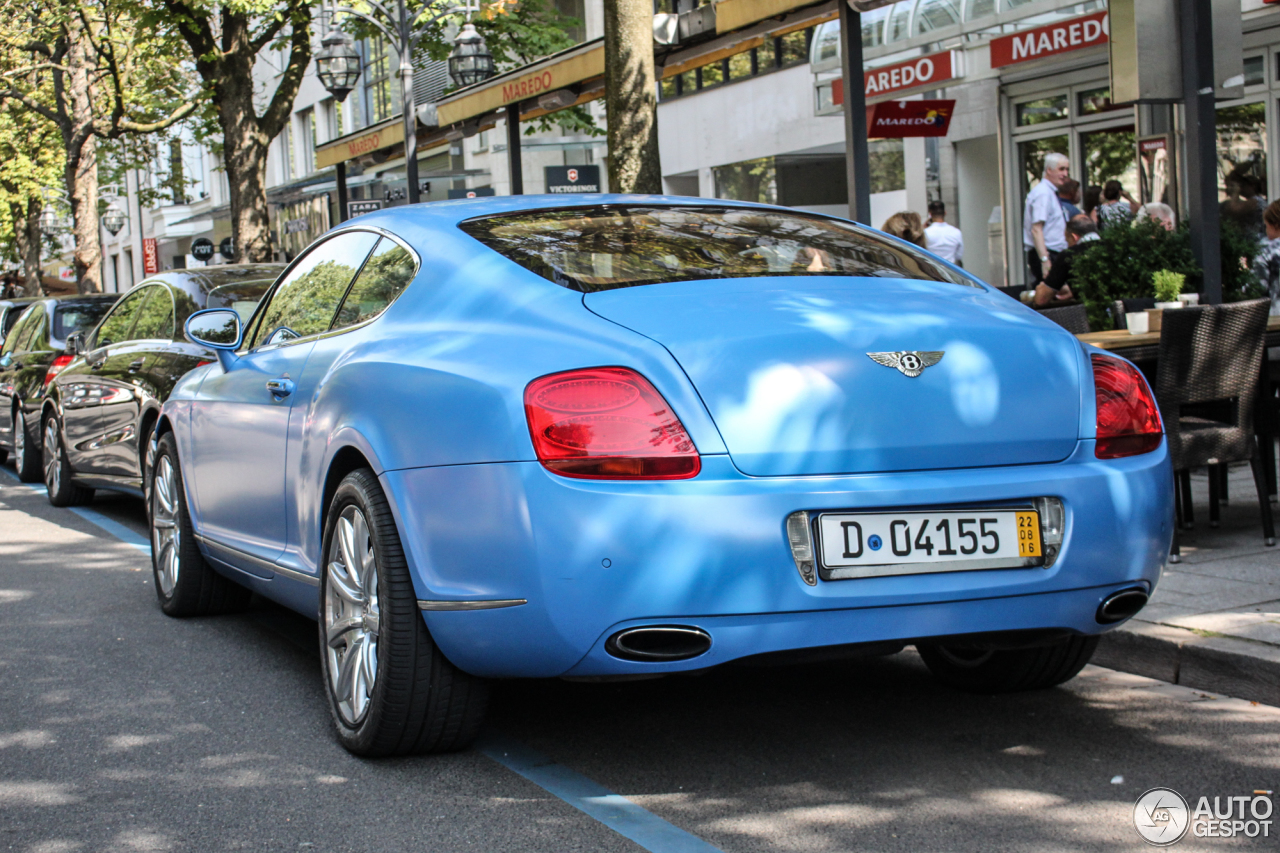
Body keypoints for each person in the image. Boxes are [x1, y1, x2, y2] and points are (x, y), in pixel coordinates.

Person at [1023, 152, 1070, 286]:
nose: (1065, 174)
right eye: (1061, 169)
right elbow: (1036, 229)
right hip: (1047, 254)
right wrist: (1045, 260)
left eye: (1067, 169)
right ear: (1049, 170)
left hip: (1053, 253)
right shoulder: (1043, 193)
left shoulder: (1049, 192)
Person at [1038, 215, 1099, 305]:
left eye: (1067, 241)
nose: (1068, 245)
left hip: (1088, 314)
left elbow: (1041, 300)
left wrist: (1040, 289)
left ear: (1074, 237)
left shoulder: (1069, 255)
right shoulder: (1115, 247)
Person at [1252, 199, 1280, 316]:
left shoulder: (1268, 250)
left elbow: (1256, 287)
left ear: (1275, 225)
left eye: (1266, 226)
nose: (1266, 231)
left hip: (1275, 320)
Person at [923, 200, 963, 266]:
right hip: (950, 271)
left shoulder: (926, 233)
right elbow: (958, 256)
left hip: (932, 270)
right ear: (945, 213)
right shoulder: (956, 232)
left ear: (930, 214)